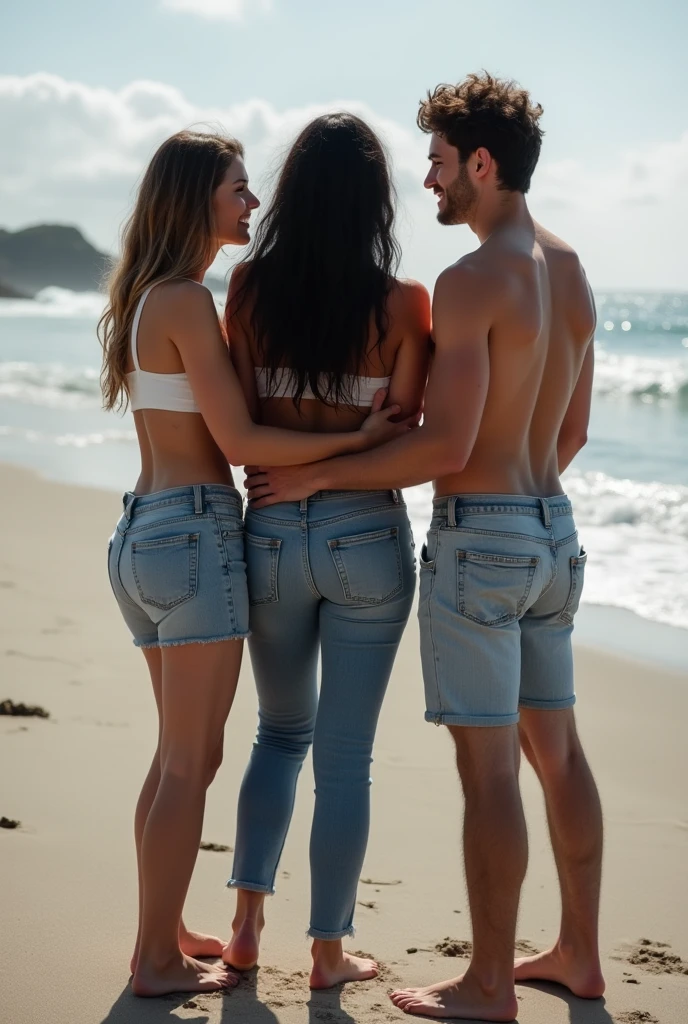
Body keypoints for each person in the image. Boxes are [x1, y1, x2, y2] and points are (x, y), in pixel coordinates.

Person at [245, 74, 604, 1020]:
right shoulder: (570, 269)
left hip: (481, 542)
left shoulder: (471, 280)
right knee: (559, 755)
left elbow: (443, 447)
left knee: (488, 770)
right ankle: (579, 953)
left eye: (442, 165)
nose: (432, 184)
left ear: (481, 163)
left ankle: (490, 983)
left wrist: (319, 475)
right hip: (552, 531)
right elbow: (569, 433)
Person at [100, 129, 407, 998]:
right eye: (237, 188)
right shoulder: (190, 300)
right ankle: (157, 960)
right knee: (191, 763)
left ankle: (160, 931)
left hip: (144, 532)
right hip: (193, 536)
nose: (252, 202)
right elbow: (237, 442)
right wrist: (360, 437)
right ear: (197, 196)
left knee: (173, 759)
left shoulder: (150, 295)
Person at [222, 112, 431, 989]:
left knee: (277, 734)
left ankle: (242, 929)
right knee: (344, 755)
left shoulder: (249, 290)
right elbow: (403, 436)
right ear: (374, 202)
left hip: (268, 529)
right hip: (366, 540)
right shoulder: (402, 304)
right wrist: (352, 448)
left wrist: (303, 462)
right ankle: (327, 955)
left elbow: (244, 435)